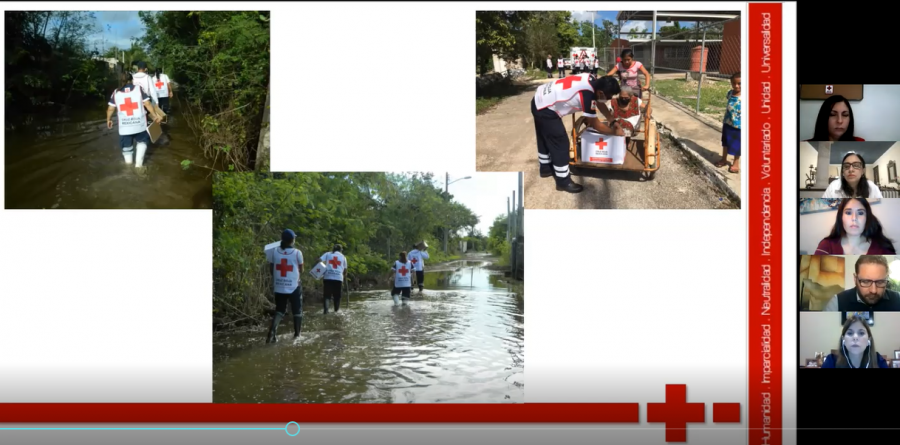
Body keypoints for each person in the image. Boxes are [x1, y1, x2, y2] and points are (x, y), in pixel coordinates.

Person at [532, 74, 624, 193]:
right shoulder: (588, 96)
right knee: (560, 142)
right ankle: (563, 181)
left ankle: (545, 169)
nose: (609, 99)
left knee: (544, 135)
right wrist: (614, 132)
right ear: (601, 93)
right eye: (609, 96)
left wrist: (612, 121)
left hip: (539, 99)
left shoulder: (592, 80)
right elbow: (596, 125)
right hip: (545, 108)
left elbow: (599, 102)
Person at [106, 73, 164, 169]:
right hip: (139, 125)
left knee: (127, 149)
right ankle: (138, 165)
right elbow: (147, 103)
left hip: (124, 128)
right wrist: (155, 116)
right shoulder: (139, 89)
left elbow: (110, 109)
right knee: (142, 141)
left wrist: (108, 119)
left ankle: (128, 168)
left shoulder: (116, 92)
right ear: (132, 80)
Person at [814, 198, 896, 255]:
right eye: (848, 213)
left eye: (860, 213)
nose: (854, 218)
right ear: (841, 217)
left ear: (867, 218)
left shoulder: (883, 248)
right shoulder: (826, 246)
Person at [265, 229, 304, 343]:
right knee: (297, 311)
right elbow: (301, 269)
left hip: (279, 286)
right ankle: (297, 335)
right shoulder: (297, 253)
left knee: (280, 310)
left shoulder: (274, 252)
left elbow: (271, 269)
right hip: (294, 286)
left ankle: (272, 331)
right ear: (292, 240)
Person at [823, 255, 900, 311]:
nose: (873, 290)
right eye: (866, 282)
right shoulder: (837, 303)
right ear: (855, 279)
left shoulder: (897, 299)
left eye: (880, 282)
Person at [820, 314, 887, 368]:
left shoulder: (879, 361)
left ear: (869, 339)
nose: (855, 337)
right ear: (843, 339)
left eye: (861, 333)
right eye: (850, 333)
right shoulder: (831, 361)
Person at [714, 72, 742, 173]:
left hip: (738, 126)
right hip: (727, 123)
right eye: (734, 83)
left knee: (737, 145)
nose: (736, 86)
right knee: (725, 142)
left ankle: (736, 163)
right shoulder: (730, 93)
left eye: (739, 83)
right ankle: (724, 159)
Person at [320, 244, 348, 314]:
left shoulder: (327, 254)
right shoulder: (343, 257)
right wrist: (344, 276)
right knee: (337, 296)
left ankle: (326, 311)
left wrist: (321, 269)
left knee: (327, 295)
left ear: (333, 249)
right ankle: (336, 311)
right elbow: (345, 271)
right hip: (338, 278)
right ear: (341, 250)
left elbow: (319, 260)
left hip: (328, 277)